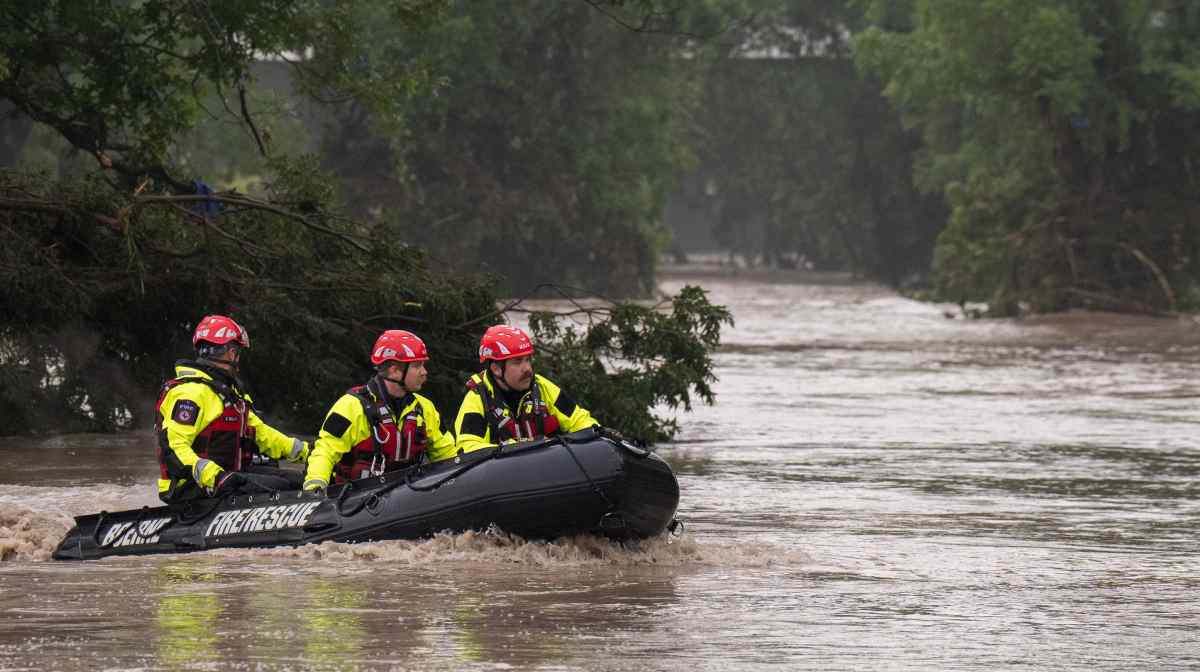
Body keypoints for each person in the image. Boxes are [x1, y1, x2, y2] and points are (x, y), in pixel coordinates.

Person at [155, 315, 309, 503]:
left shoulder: (229, 393)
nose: (238, 359)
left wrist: (307, 452)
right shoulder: (191, 393)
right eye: (237, 352)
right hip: (193, 486)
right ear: (229, 352)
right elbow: (174, 446)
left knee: (297, 481)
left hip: (227, 477)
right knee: (284, 488)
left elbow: (262, 435)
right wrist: (215, 477)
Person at [302, 329, 455, 493]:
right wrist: (315, 487)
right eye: (417, 365)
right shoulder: (352, 406)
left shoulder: (425, 409)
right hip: (354, 502)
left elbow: (447, 454)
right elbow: (325, 451)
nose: (424, 372)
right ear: (394, 370)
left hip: (408, 498)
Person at [453, 325, 597, 455]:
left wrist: (596, 434)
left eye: (528, 359)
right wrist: (510, 449)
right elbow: (468, 448)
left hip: (551, 470)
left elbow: (579, 421)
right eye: (517, 361)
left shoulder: (542, 386)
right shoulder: (477, 399)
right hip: (505, 479)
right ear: (496, 369)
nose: (527, 368)